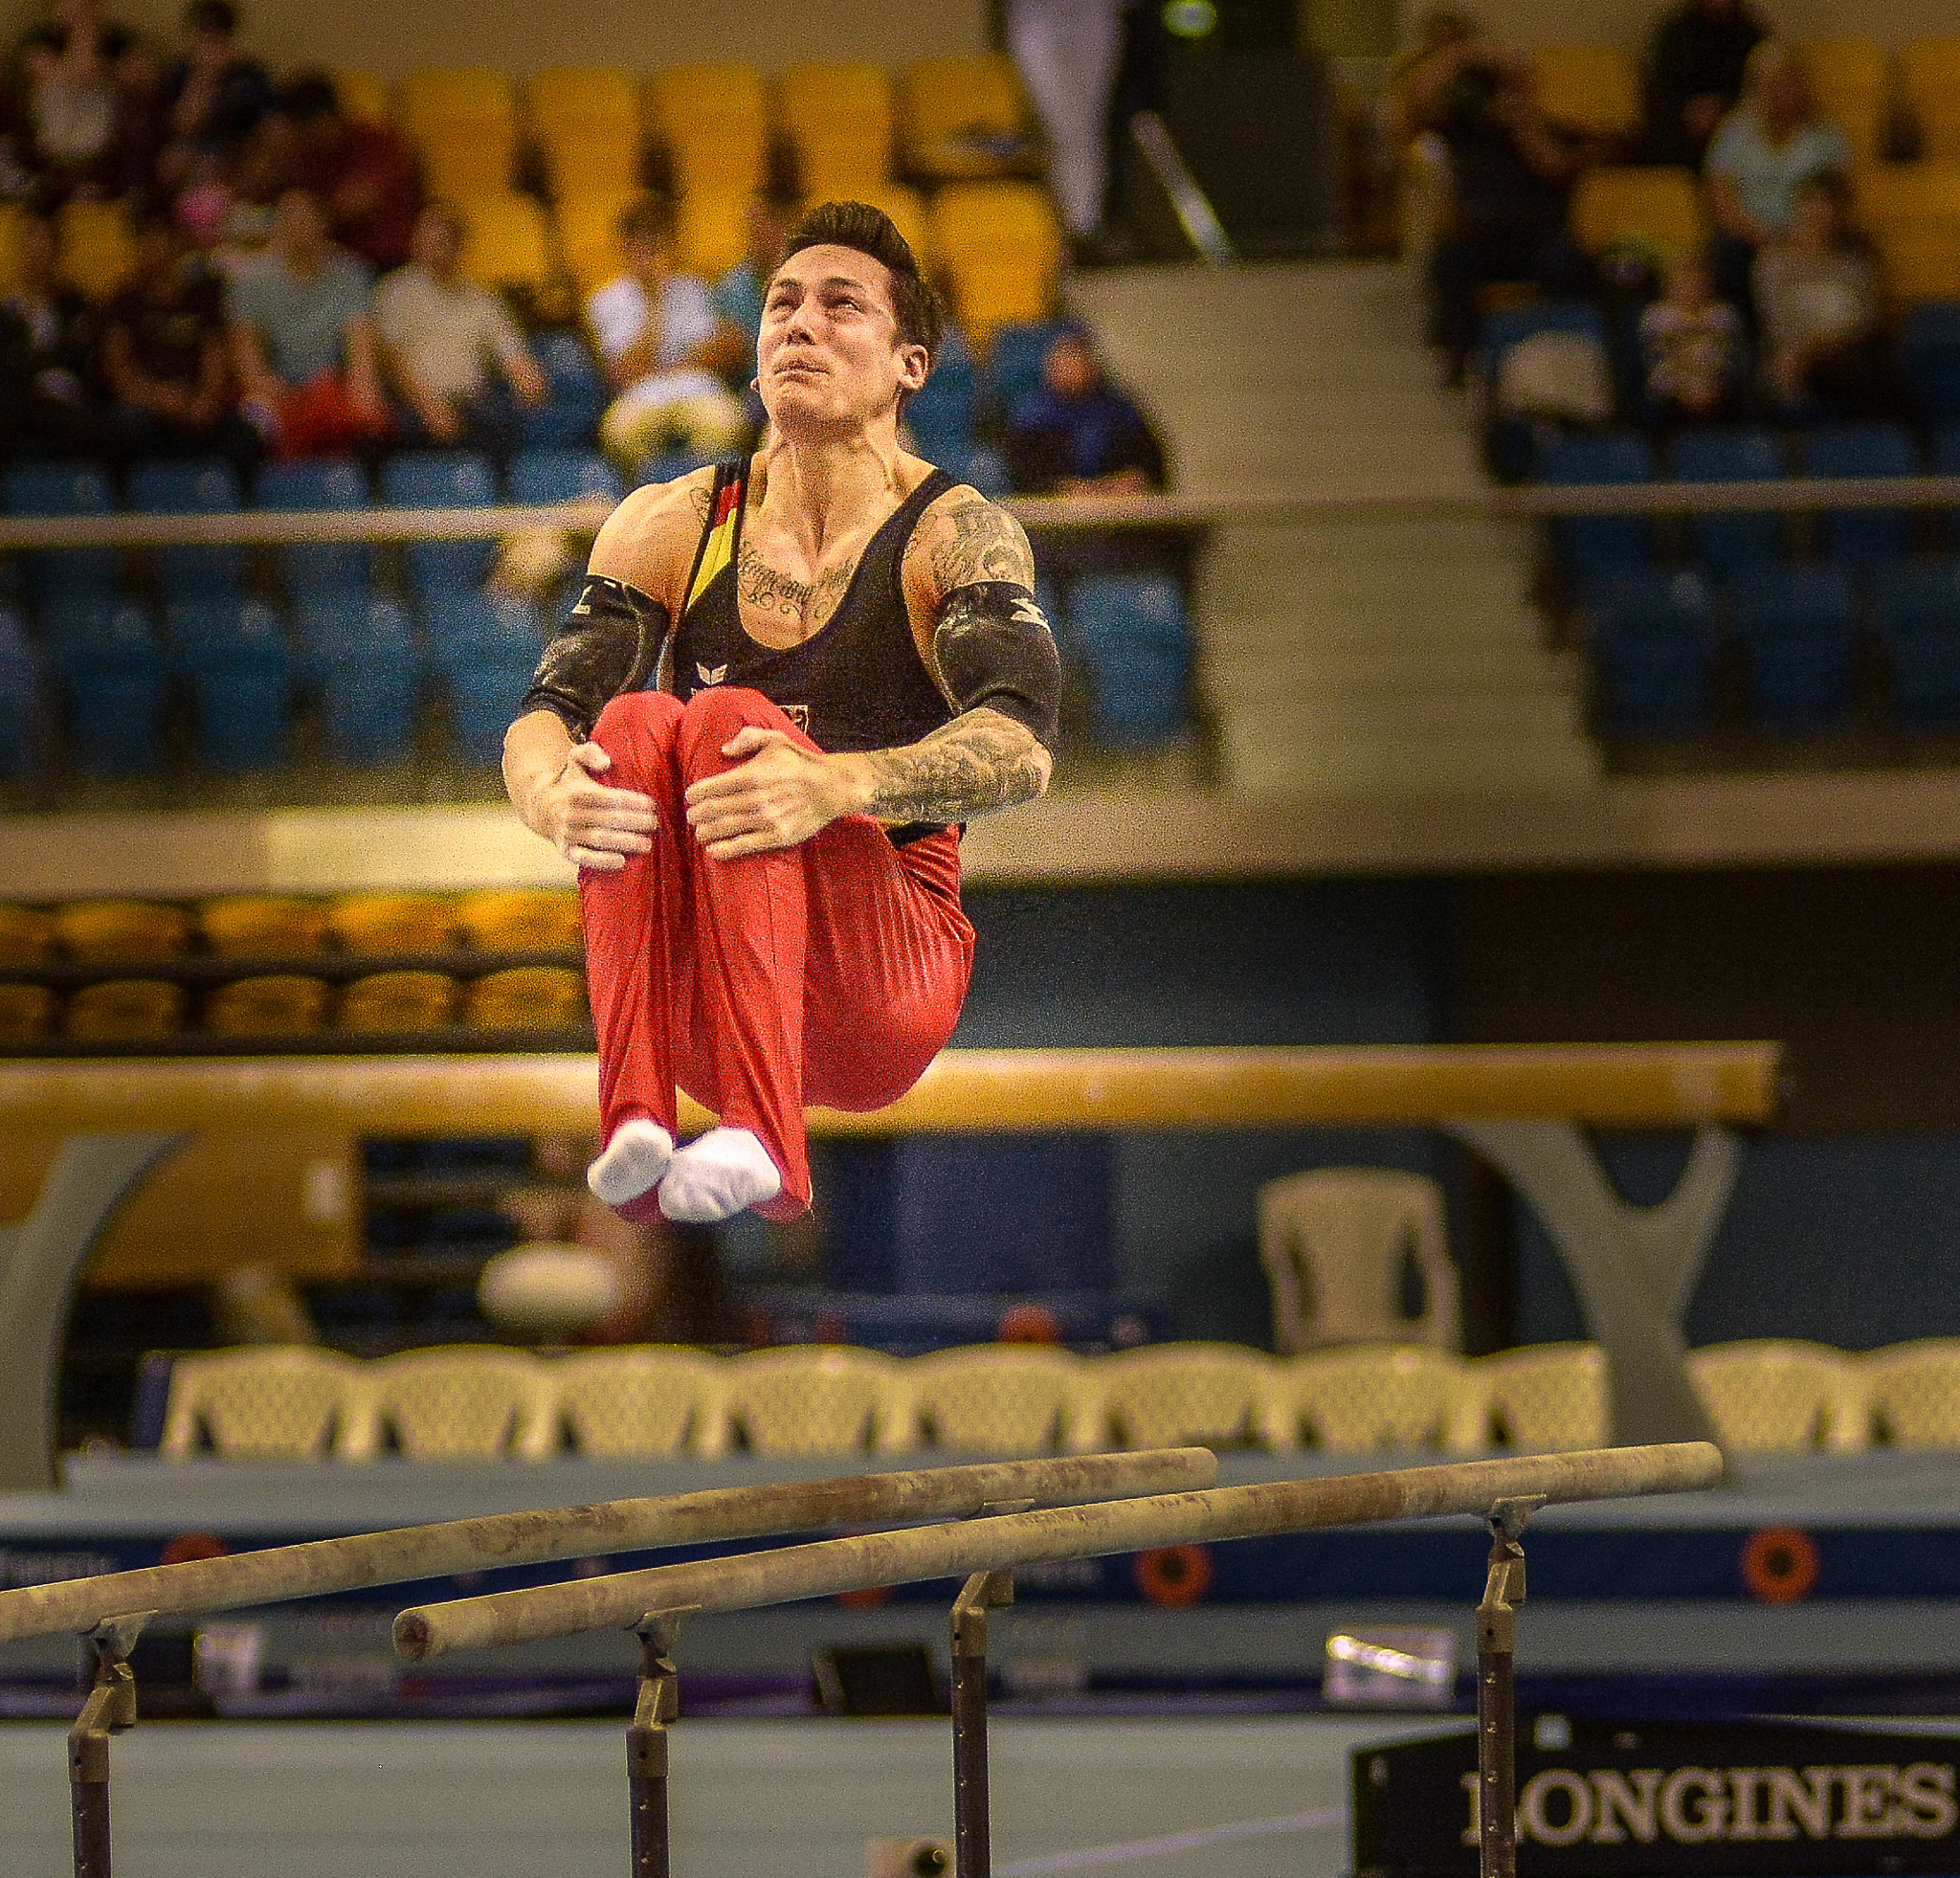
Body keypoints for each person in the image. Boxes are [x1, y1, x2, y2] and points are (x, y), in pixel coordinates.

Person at [501, 200, 1061, 1227]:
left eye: (840, 305)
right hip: (709, 1008)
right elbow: (543, 715)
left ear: (910, 365)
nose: (800, 323)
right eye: (781, 305)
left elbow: (1020, 750)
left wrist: (837, 784)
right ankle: (633, 1112)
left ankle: (767, 1135)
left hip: (877, 977)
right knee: (626, 732)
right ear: (754, 358)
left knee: (725, 721)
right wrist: (547, 796)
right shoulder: (668, 522)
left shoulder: (953, 533)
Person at [1406, 26, 1594, 384]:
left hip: (1537, 238)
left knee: (1570, 261)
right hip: (1482, 238)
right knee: (1449, 261)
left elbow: (1554, 167)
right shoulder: (1463, 130)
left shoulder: (1542, 125)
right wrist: (1464, 54)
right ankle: (1461, 356)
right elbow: (1419, 98)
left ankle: (1566, 345)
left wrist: (1521, 122)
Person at [588, 194, 748, 475]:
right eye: (639, 245)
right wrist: (654, 304)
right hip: (642, 396)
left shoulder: (694, 288)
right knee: (618, 435)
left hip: (698, 389)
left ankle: (702, 501)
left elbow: (717, 354)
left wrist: (679, 364)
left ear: (668, 246)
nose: (647, 254)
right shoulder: (605, 300)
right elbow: (626, 372)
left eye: (655, 245)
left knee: (729, 427)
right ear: (624, 248)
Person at [228, 184, 389, 456]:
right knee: (248, 431)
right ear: (277, 226)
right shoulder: (249, 282)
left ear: (322, 224)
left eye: (307, 219)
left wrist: (360, 391)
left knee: (371, 419)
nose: (299, 227)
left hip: (332, 388)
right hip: (276, 393)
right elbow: (249, 365)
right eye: (290, 220)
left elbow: (362, 357)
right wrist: (282, 394)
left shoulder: (351, 275)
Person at [374, 199, 547, 453]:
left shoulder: (482, 299)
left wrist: (527, 378)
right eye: (428, 238)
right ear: (415, 242)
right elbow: (392, 360)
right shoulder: (395, 292)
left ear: (459, 244)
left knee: (516, 425)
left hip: (474, 406)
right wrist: (430, 408)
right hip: (414, 408)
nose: (436, 246)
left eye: (443, 239)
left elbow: (512, 353)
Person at [1704, 42, 1851, 318]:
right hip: (1749, 235)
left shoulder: (1827, 135)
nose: (1782, 92)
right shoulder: (1734, 133)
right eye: (1773, 84)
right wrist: (1760, 235)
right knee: (1728, 254)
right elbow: (1722, 198)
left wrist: (1805, 233)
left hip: (1813, 232)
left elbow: (1841, 193)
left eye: (1790, 83)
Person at [100, 208, 255, 461]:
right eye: (149, 240)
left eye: (163, 239)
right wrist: (159, 397)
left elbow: (216, 356)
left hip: (196, 403)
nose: (157, 249)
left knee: (244, 437)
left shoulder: (203, 298)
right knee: (123, 427)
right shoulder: (124, 303)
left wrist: (205, 399)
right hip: (147, 407)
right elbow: (119, 371)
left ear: (178, 244)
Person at [1754, 177, 1908, 422]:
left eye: (1826, 210)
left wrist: (1817, 347)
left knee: (1866, 370)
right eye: (1812, 209)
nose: (1819, 218)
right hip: (1791, 354)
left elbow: (1864, 322)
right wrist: (1800, 352)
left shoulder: (1854, 264)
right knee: (1780, 373)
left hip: (1843, 355)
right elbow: (1775, 322)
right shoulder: (1773, 263)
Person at [268, 70, 420, 272]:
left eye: (319, 124)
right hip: (334, 263)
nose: (316, 135)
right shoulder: (305, 157)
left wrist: (317, 218)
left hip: (390, 257)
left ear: (333, 115)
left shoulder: (377, 141)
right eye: (306, 130)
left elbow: (362, 198)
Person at [1003, 323, 1164, 496]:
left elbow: (1149, 467)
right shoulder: (1032, 418)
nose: (1072, 367)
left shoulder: (1120, 412)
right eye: (1065, 359)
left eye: (1078, 358)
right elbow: (1025, 478)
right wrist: (1060, 489)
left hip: (1118, 505)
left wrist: (1129, 481)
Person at [0, 208, 106, 456]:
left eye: (44, 242)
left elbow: (79, 354)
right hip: (20, 396)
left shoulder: (72, 304)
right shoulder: (9, 309)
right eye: (31, 243)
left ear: (56, 250)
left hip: (61, 394)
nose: (37, 251)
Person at [156, 0, 271, 190]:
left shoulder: (251, 75)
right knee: (172, 163)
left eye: (218, 38)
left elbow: (271, 126)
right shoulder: (182, 74)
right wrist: (204, 81)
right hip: (197, 153)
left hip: (241, 153)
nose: (210, 48)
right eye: (203, 38)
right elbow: (180, 130)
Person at [1644, 0, 1767, 167]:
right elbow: (1663, 88)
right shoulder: (1677, 33)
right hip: (1683, 123)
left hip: (1737, 120)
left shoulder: (1752, 36)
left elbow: (1761, 91)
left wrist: (1722, 111)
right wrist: (1691, 111)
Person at [1637, 248, 1747, 428]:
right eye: (1683, 283)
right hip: (1671, 386)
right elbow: (1659, 359)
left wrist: (1708, 387)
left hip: (1715, 385)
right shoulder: (1656, 316)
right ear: (1667, 286)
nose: (1692, 288)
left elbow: (1727, 358)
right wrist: (1683, 388)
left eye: (1698, 282)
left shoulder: (1723, 315)